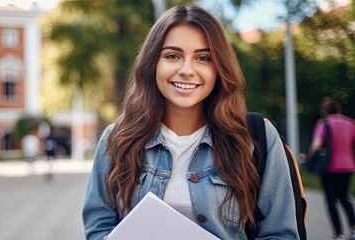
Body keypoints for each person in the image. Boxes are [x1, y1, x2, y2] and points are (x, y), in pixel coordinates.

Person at [82, 5, 298, 240]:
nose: (187, 70)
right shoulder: (116, 140)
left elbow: (280, 234)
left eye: (203, 58)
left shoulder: (257, 138)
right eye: (172, 56)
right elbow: (99, 228)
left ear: (219, 68)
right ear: (153, 63)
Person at [307, 96, 355, 240]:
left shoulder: (323, 123)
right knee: (344, 197)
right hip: (348, 166)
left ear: (325, 110)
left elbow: (316, 143)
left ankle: (338, 233)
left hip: (329, 168)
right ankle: (353, 228)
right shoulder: (351, 123)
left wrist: (309, 157)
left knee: (330, 200)